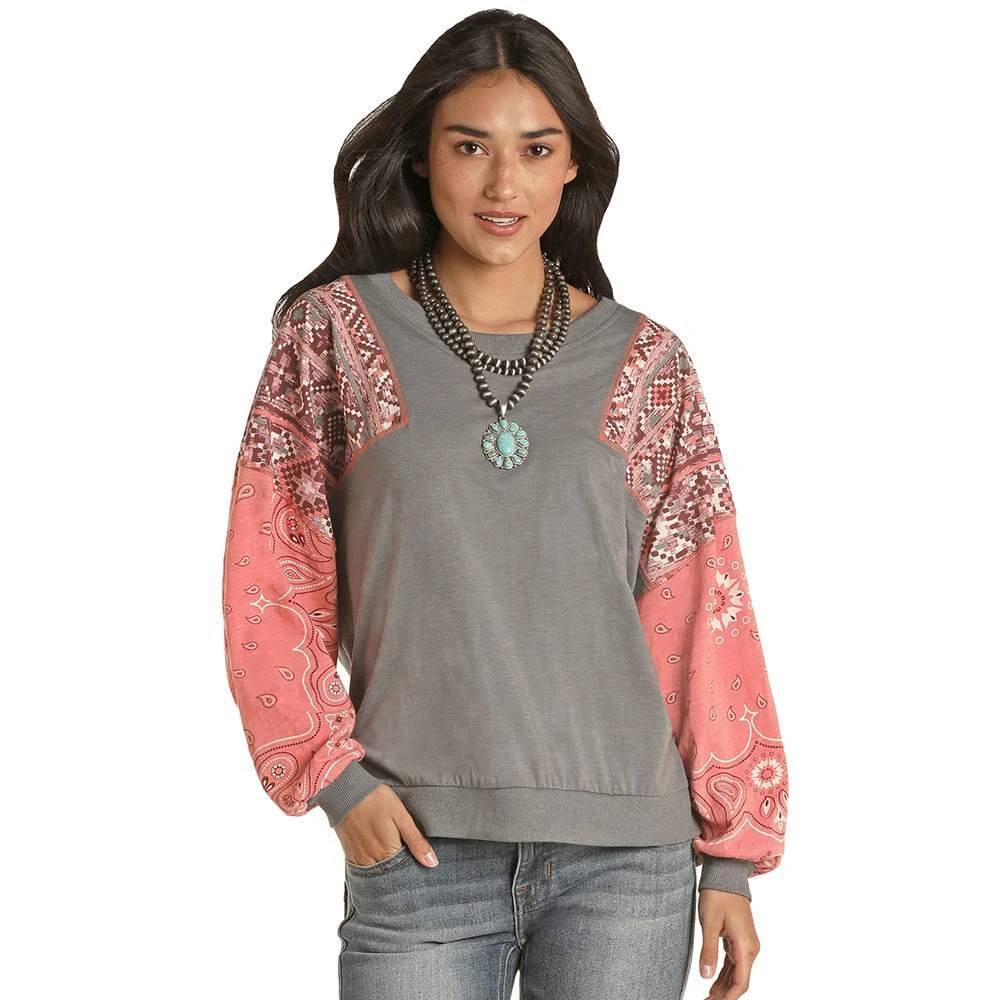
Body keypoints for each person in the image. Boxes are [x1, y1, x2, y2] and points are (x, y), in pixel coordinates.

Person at [220, 9, 788, 1000]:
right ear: (420, 156)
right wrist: (336, 781)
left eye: (535, 149)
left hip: (629, 863)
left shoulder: (649, 363)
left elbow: (705, 609)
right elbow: (269, 578)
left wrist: (731, 857)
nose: (502, 185)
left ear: (573, 166)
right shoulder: (333, 336)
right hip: (418, 851)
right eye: (470, 146)